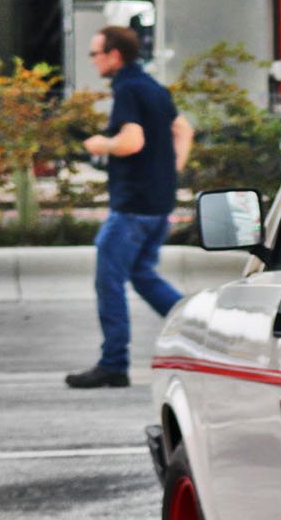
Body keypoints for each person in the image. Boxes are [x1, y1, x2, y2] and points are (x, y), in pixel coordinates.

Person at [65, 26, 195, 389]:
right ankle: (198, 331)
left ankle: (113, 364)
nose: (93, 61)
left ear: (114, 55)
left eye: (96, 54)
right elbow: (183, 130)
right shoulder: (153, 86)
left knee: (109, 280)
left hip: (133, 203)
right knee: (142, 274)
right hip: (158, 202)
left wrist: (100, 144)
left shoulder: (126, 87)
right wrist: (169, 174)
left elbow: (132, 141)